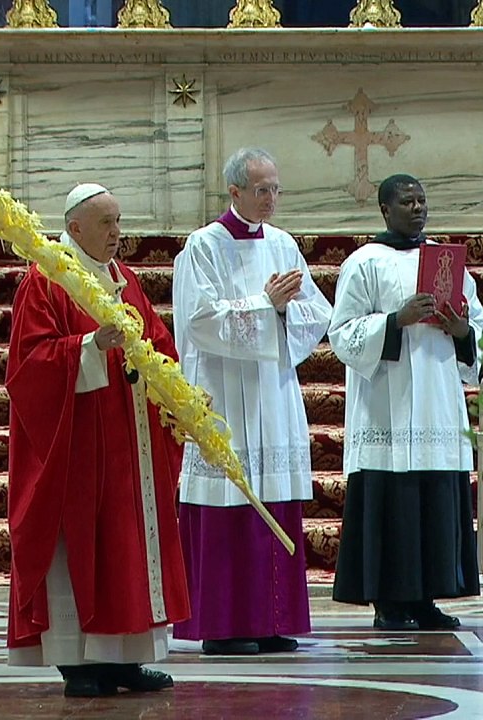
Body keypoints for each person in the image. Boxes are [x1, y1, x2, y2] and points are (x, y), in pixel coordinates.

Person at [6, 183, 189, 697]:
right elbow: (29, 365)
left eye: (119, 222)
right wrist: (88, 345)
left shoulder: (124, 278)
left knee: (125, 546)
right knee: (82, 546)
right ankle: (77, 660)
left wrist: (177, 394)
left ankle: (125, 658)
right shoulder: (46, 282)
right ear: (75, 228)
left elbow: (157, 342)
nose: (117, 234)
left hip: (129, 445)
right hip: (78, 448)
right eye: (106, 224)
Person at [172, 147, 332, 655]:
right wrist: (266, 305)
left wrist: (284, 313)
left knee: (273, 500)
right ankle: (222, 627)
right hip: (223, 394)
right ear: (235, 191)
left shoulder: (284, 245)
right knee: (228, 504)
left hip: (273, 392)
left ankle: (271, 620)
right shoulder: (203, 246)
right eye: (261, 191)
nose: (270, 200)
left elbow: (316, 312)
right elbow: (199, 321)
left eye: (276, 190)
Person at [329, 174, 483, 631]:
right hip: (387, 400)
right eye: (406, 202)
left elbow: (475, 321)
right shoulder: (363, 262)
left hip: (436, 397)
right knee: (391, 500)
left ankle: (427, 600)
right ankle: (389, 603)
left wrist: (461, 331)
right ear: (385, 210)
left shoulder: (448, 262)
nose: (417, 209)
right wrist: (395, 321)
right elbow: (341, 333)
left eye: (421, 201)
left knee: (434, 498)